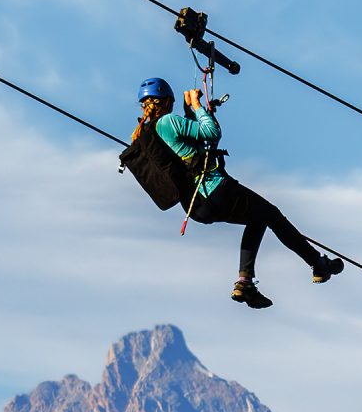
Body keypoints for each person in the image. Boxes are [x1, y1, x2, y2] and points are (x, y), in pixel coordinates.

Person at [134, 77, 342, 309]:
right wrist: (197, 107)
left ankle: (246, 282)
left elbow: (191, 145)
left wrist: (190, 112)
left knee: (258, 217)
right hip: (215, 188)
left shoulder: (148, 132)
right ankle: (316, 263)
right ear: (166, 101)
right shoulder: (168, 122)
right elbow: (211, 133)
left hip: (196, 207)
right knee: (271, 214)